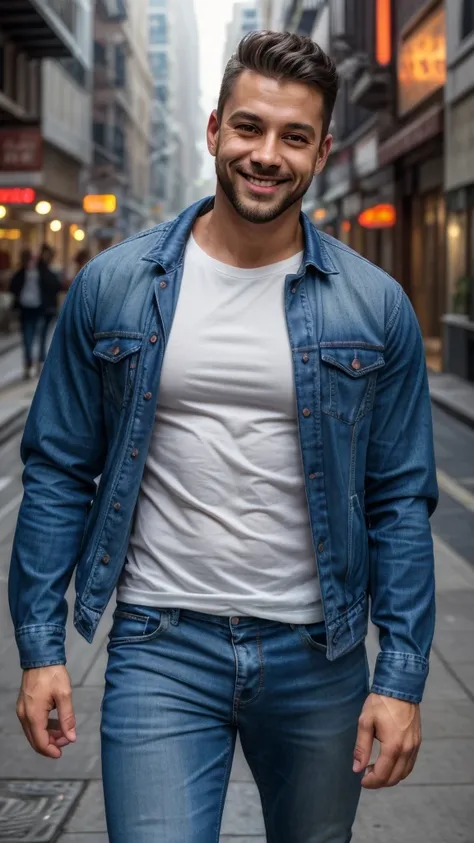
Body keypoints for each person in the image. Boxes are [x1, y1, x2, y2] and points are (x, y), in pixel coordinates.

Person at [9, 31, 438, 843]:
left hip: (321, 656)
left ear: (322, 152)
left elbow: (400, 499)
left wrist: (403, 678)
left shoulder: (375, 308)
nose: (265, 154)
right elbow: (59, 468)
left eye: (293, 136)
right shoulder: (116, 285)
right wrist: (41, 647)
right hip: (160, 644)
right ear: (213, 131)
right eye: (248, 128)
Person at [10, 244, 61, 378]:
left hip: (39, 308)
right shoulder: (26, 273)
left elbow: (55, 286)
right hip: (29, 309)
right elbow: (56, 285)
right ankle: (32, 362)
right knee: (31, 336)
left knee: (36, 336)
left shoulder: (37, 272)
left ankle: (36, 362)